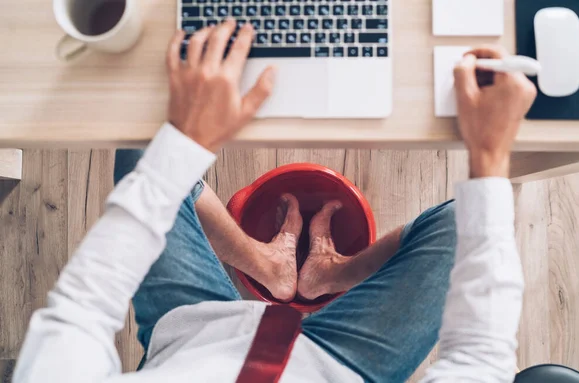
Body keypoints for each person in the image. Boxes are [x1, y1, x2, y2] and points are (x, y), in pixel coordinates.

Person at [13, 20, 537, 383]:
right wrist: (488, 155)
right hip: (339, 365)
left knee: (143, 147)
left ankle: (267, 265)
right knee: (458, 226)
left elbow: (78, 312)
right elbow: (478, 362)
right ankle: (328, 278)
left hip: (194, 337)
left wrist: (185, 141)